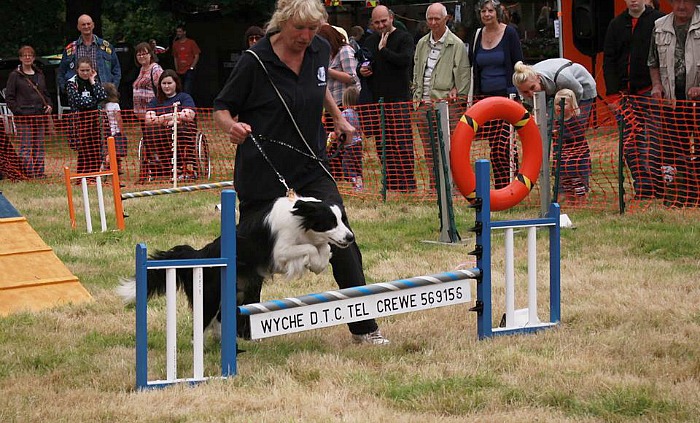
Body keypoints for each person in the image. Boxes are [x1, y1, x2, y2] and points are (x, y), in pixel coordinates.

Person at [213, 0, 389, 345]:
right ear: (281, 23)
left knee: (342, 237)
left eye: (312, 29)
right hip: (262, 170)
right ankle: (241, 329)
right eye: (300, 29)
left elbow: (317, 84)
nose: (307, 36)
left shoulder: (320, 48)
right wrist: (231, 126)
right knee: (254, 251)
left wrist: (336, 115)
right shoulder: (254, 61)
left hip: (311, 165)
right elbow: (222, 107)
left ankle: (365, 328)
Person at [603, 0, 665, 199]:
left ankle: (658, 185)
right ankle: (643, 187)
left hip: (651, 92)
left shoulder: (658, 21)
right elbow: (609, 61)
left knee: (654, 141)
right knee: (631, 144)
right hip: (624, 96)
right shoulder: (615, 24)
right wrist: (613, 95)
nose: (634, 0)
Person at [412, 2, 470, 190]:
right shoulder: (421, 44)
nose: (434, 22)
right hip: (423, 104)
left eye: (437, 18)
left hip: (447, 105)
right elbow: (416, 71)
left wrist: (458, 97)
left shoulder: (456, 44)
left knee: (451, 149)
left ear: (446, 19)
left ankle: (453, 186)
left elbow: (463, 75)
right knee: (429, 150)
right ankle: (435, 187)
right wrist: (417, 99)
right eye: (430, 18)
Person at [648, 0, 700, 207]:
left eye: (686, 1)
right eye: (677, 1)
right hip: (672, 103)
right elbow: (653, 62)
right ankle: (683, 194)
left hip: (697, 103)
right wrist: (657, 86)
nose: (681, 6)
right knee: (675, 151)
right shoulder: (660, 26)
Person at [360, 5, 417, 192]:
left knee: (402, 144)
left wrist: (384, 50)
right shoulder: (369, 41)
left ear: (391, 18)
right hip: (378, 100)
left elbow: (405, 61)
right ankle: (391, 183)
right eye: (376, 22)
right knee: (384, 144)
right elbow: (363, 62)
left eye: (383, 21)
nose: (380, 25)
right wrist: (362, 70)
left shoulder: (404, 38)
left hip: (399, 99)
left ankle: (407, 184)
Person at [471, 0, 524, 188]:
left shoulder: (509, 33)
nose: (486, 15)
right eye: (483, 11)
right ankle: (501, 185)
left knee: (506, 145)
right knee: (494, 145)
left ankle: (513, 183)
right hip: (485, 99)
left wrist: (517, 93)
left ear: (497, 13)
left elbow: (519, 64)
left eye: (490, 11)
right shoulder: (478, 35)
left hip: (507, 97)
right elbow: (474, 67)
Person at [5, 45, 52, 179]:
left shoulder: (39, 74)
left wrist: (49, 104)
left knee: (39, 146)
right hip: (23, 117)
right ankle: (27, 174)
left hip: (39, 115)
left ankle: (39, 173)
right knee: (25, 147)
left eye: (30, 55)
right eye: (24, 55)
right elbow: (10, 97)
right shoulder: (14, 76)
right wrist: (18, 111)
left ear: (33, 57)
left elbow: (45, 93)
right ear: (20, 58)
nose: (27, 57)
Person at [145, 70, 197, 181]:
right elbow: (149, 119)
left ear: (176, 84)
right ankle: (159, 165)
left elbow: (189, 115)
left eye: (169, 83)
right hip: (162, 132)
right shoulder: (155, 101)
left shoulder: (184, 97)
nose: (167, 86)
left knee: (179, 130)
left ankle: (182, 167)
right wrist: (172, 117)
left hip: (182, 131)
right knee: (151, 132)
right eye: (164, 83)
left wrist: (162, 118)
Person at [513, 59, 597, 126]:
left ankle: (576, 145)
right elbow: (536, 108)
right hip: (553, 90)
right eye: (525, 92)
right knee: (552, 126)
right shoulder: (521, 84)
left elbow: (578, 92)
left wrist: (570, 114)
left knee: (574, 126)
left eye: (532, 88)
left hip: (581, 87)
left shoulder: (563, 78)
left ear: (538, 78)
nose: (531, 94)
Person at [65, 57, 108, 180]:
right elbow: (78, 102)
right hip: (79, 121)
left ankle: (95, 175)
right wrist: (93, 101)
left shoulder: (94, 80)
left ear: (92, 70)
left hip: (95, 120)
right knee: (84, 149)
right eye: (82, 70)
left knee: (96, 146)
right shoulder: (72, 83)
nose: (85, 73)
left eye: (87, 70)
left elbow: (102, 96)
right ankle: (83, 175)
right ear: (77, 70)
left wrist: (93, 81)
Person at [57, 14, 121, 92]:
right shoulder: (70, 49)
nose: (86, 26)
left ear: (93, 25)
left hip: (103, 90)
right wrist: (66, 89)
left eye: (88, 24)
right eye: (83, 24)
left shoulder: (106, 47)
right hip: (78, 93)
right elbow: (61, 72)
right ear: (78, 27)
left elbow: (116, 70)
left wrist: (113, 88)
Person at [552, 89, 591, 206]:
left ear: (572, 105)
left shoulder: (576, 121)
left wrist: (558, 133)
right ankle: (570, 202)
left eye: (563, 103)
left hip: (576, 159)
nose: (559, 106)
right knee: (566, 182)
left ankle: (581, 201)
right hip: (564, 160)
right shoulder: (558, 122)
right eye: (557, 104)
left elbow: (574, 135)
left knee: (577, 182)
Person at [132, 42, 164, 183]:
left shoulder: (155, 70)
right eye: (139, 54)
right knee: (148, 142)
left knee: (154, 141)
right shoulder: (141, 70)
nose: (141, 56)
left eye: (144, 53)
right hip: (141, 114)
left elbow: (163, 89)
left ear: (151, 54)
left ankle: (159, 169)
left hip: (152, 113)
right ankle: (151, 169)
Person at [318, 24, 361, 106]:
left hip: (345, 103)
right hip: (331, 104)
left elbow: (353, 78)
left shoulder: (345, 51)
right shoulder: (328, 55)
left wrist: (328, 71)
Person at [341, 86, 364, 191]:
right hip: (359, 144)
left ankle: (356, 183)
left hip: (349, 145)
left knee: (347, 165)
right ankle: (360, 182)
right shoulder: (359, 114)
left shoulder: (345, 114)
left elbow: (342, 128)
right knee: (357, 164)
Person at [101, 83, 126, 175]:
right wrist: (122, 131)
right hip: (115, 132)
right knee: (116, 151)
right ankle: (106, 166)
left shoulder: (102, 106)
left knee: (108, 150)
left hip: (105, 132)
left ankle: (114, 167)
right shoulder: (115, 105)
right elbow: (119, 118)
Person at [171, 24, 201, 94]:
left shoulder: (191, 42)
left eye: (180, 31)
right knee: (179, 89)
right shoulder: (175, 44)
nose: (178, 33)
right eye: (177, 32)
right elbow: (175, 57)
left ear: (184, 32)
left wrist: (192, 67)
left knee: (187, 89)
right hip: (179, 71)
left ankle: (187, 104)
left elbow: (196, 55)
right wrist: (176, 68)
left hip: (188, 70)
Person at [113, 33, 135, 110]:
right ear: (124, 37)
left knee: (121, 95)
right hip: (129, 77)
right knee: (129, 95)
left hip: (118, 77)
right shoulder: (130, 47)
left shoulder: (113, 48)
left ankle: (123, 111)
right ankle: (130, 111)